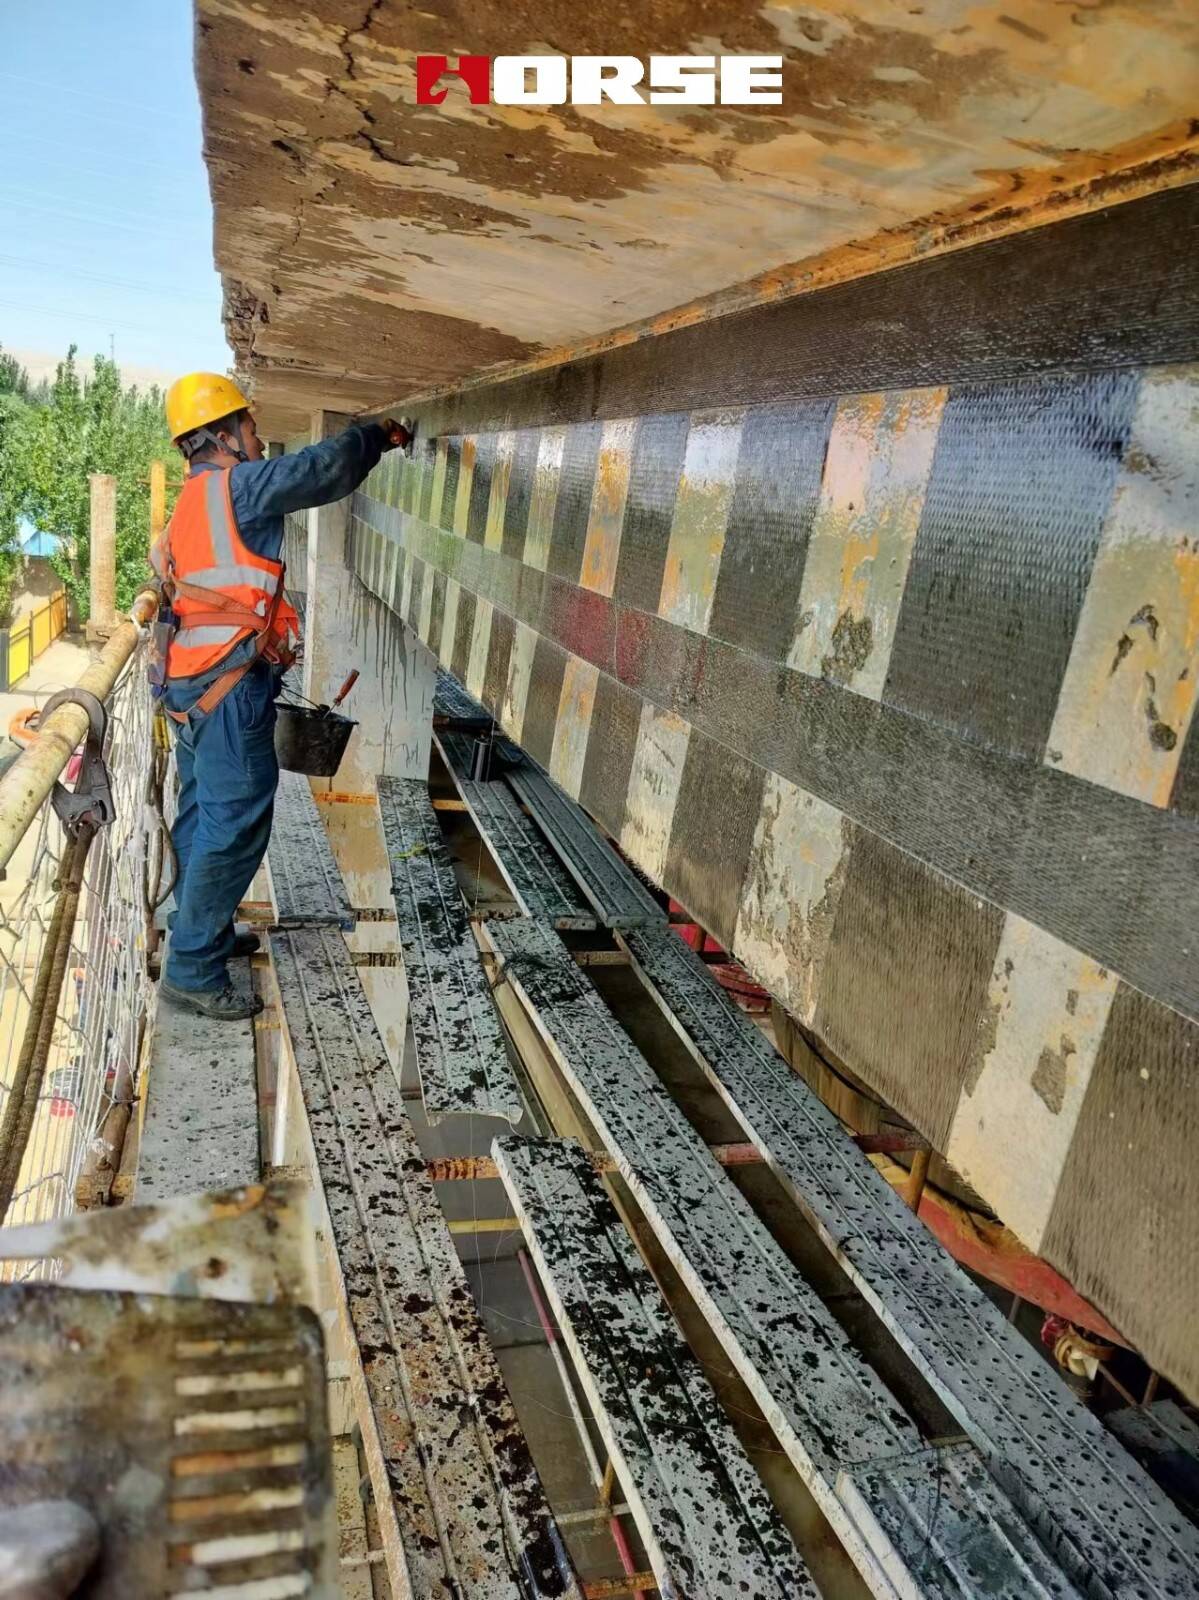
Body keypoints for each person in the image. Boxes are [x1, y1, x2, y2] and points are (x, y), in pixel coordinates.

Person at [150, 372, 410, 1021]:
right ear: (223, 434)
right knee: (234, 823)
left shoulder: (192, 499)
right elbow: (320, 470)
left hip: (194, 681)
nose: (259, 438)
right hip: (224, 687)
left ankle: (197, 932)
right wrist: (376, 435)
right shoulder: (238, 488)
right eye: (250, 426)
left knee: (201, 812)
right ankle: (191, 968)